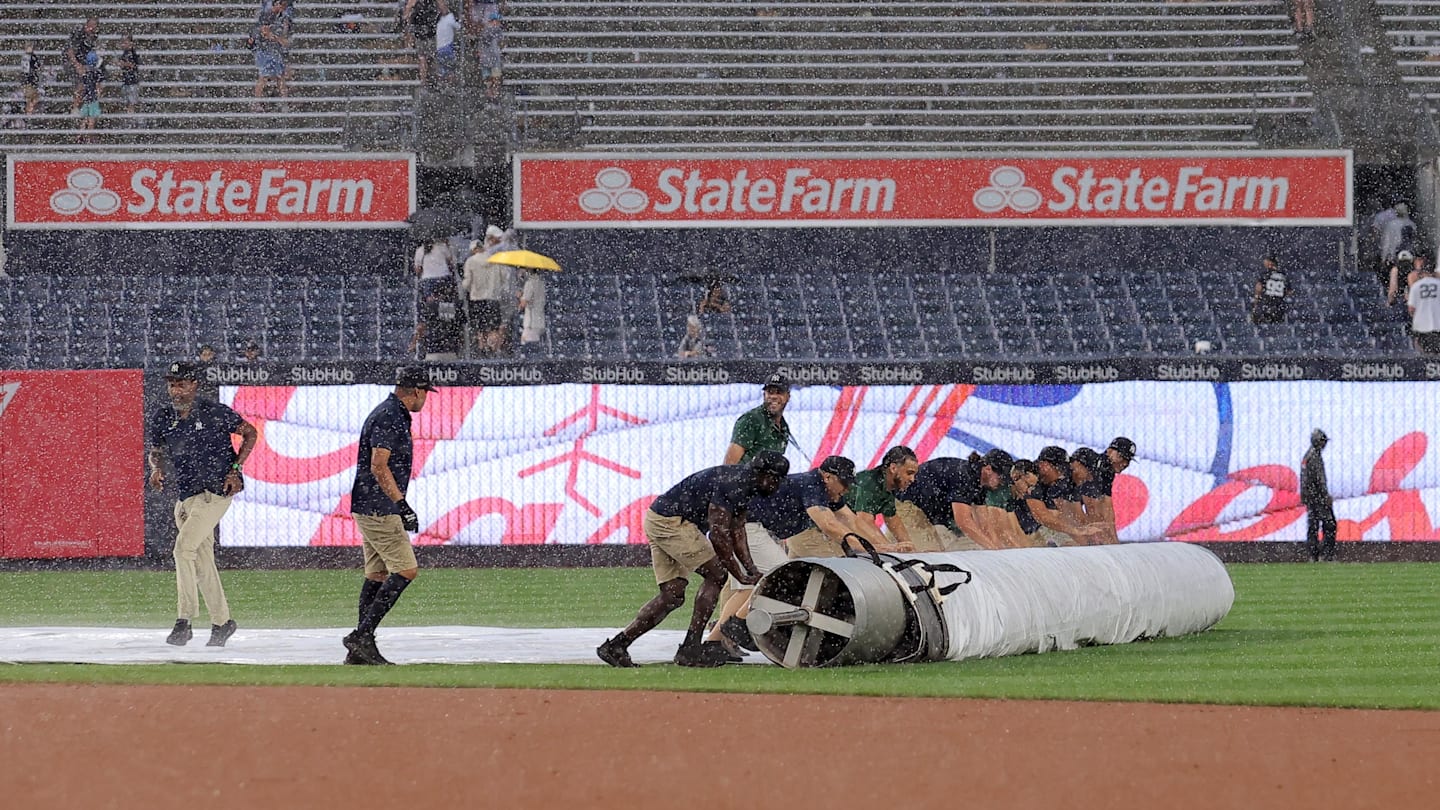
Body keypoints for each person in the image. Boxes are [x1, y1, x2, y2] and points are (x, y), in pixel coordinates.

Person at [596, 450, 790, 668]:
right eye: (776, 480)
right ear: (764, 475)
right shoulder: (734, 485)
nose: (777, 486)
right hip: (673, 521)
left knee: (672, 596)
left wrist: (750, 569)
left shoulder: (746, 483)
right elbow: (719, 535)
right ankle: (691, 648)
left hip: (661, 517)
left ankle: (617, 645)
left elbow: (737, 531)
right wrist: (739, 574)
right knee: (717, 574)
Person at [706, 455, 891, 656]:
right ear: (827, 477)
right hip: (747, 527)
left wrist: (880, 546)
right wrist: (864, 548)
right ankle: (740, 626)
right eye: (844, 483)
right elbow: (827, 524)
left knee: (747, 588)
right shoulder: (812, 484)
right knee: (780, 574)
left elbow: (852, 520)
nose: (846, 489)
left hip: (745, 526)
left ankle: (713, 644)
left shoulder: (827, 491)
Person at [146, 361, 257, 647]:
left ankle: (184, 621)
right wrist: (155, 469)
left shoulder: (214, 412)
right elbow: (156, 451)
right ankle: (222, 622)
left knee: (183, 550)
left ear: (194, 384)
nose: (176, 389)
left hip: (214, 493)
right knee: (202, 560)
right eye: (172, 384)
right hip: (186, 498)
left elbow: (250, 432)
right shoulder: (163, 417)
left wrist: (236, 468)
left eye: (182, 383)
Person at [344, 366, 437, 665]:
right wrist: (402, 504)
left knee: (377, 574)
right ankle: (362, 635)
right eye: (426, 394)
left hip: (369, 504)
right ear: (418, 391)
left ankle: (360, 648)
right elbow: (379, 465)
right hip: (379, 507)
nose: (425, 400)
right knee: (406, 570)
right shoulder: (391, 416)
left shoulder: (387, 412)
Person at [893, 449, 1015, 551]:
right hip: (909, 506)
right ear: (988, 469)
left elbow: (985, 525)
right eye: (1001, 478)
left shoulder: (981, 484)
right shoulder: (965, 476)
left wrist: (998, 550)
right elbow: (963, 521)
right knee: (927, 552)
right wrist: (991, 549)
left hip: (931, 514)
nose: (1002, 483)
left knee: (947, 550)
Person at [1026, 446, 1107, 547]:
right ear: (1044, 465)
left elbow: (1076, 516)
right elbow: (1043, 517)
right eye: (1060, 469)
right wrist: (1078, 532)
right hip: (1025, 531)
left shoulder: (1060, 482)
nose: (1061, 474)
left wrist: (1089, 536)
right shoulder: (1029, 477)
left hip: (1031, 528)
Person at [845, 445, 919, 552]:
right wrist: (890, 549)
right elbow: (865, 522)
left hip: (845, 530)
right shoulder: (869, 482)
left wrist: (912, 551)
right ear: (893, 468)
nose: (912, 479)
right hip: (822, 530)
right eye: (909, 473)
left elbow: (893, 520)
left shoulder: (888, 486)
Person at [461, 231, 511, 357]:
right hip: (493, 298)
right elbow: (505, 276)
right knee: (493, 327)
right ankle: (494, 350)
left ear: (473, 250)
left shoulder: (470, 261)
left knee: (480, 328)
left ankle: (482, 350)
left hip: (477, 299)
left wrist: (466, 289)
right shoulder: (494, 258)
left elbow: (467, 283)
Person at [724, 374, 791, 464]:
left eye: (779, 392)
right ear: (764, 395)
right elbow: (729, 466)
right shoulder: (751, 420)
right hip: (745, 477)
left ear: (788, 397)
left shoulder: (783, 427)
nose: (774, 396)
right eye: (770, 392)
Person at [1300, 429, 1336, 562]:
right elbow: (1320, 480)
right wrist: (1325, 496)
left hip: (1310, 497)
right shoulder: (1315, 457)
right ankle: (1326, 555)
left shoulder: (1307, 456)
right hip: (1318, 497)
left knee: (1313, 526)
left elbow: (1305, 480)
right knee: (1330, 524)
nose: (1324, 444)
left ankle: (1313, 555)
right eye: (1323, 441)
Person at [410, 281, 464, 361]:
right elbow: (461, 328)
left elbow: (421, 327)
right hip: (451, 352)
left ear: (431, 294)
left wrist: (413, 343)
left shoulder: (428, 307)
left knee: (434, 372)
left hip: (433, 351)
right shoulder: (453, 306)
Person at [253, 1, 289, 108]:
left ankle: (284, 103)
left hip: (276, 51)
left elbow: (284, 35)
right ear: (275, 4)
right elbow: (264, 32)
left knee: (280, 77)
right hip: (265, 50)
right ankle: (257, 103)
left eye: (285, 5)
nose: (283, 7)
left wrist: (277, 39)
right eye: (281, 5)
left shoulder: (283, 17)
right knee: (263, 77)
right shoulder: (266, 15)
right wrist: (277, 38)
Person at [66, 17, 99, 115]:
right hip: (72, 62)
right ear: (86, 25)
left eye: (94, 25)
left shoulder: (94, 36)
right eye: (90, 25)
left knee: (88, 81)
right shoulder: (79, 35)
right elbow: (70, 51)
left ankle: (81, 107)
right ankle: (75, 107)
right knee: (82, 82)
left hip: (85, 64)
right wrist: (77, 65)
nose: (92, 27)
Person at [1407, 258, 1440, 354]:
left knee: (1425, 355)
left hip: (1422, 326)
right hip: (1438, 325)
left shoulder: (1416, 286)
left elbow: (1411, 309)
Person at [405, 0, 441, 86]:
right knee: (425, 57)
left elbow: (407, 11)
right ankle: (426, 80)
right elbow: (408, 10)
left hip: (428, 31)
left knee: (427, 57)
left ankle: (429, 80)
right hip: (422, 31)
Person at [413, 236, 455, 301]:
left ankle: (431, 303)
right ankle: (442, 299)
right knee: (446, 294)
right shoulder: (442, 247)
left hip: (427, 279)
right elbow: (451, 262)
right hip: (444, 276)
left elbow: (417, 269)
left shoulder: (419, 250)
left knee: (429, 297)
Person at [1251, 254, 1288, 325]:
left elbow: (1259, 287)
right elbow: (1289, 291)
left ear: (1270, 262)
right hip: (1278, 306)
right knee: (1277, 329)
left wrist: (1255, 303)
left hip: (1266, 305)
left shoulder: (1265, 274)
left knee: (1262, 326)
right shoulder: (1283, 275)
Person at [518, 267, 547, 350]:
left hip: (531, 322)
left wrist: (520, 296)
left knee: (528, 348)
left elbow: (523, 303)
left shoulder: (530, 283)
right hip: (540, 320)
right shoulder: (541, 282)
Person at [434, 0, 463, 79]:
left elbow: (458, 26)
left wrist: (460, 21)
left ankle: (451, 86)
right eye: (439, 5)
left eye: (442, 4)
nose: (441, 6)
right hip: (439, 48)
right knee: (441, 72)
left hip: (447, 47)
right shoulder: (438, 18)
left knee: (450, 70)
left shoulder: (450, 16)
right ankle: (443, 88)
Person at [77, 51, 102, 139]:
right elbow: (98, 87)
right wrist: (99, 95)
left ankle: (80, 135)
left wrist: (79, 96)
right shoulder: (97, 73)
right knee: (92, 120)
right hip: (93, 99)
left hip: (86, 98)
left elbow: (81, 87)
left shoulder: (85, 73)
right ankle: (89, 138)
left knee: (85, 119)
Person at [118, 34, 141, 116]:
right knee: (126, 101)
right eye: (122, 42)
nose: (123, 44)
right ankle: (128, 114)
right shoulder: (125, 53)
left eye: (125, 42)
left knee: (131, 102)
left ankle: (130, 115)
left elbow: (133, 65)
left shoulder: (133, 53)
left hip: (132, 81)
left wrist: (124, 63)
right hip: (126, 81)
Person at [20, 43, 40, 117]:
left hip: (27, 82)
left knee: (27, 68)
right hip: (33, 83)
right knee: (32, 67)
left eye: (29, 108)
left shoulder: (23, 100)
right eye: (31, 108)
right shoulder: (35, 100)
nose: (30, 106)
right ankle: (31, 52)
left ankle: (29, 51)